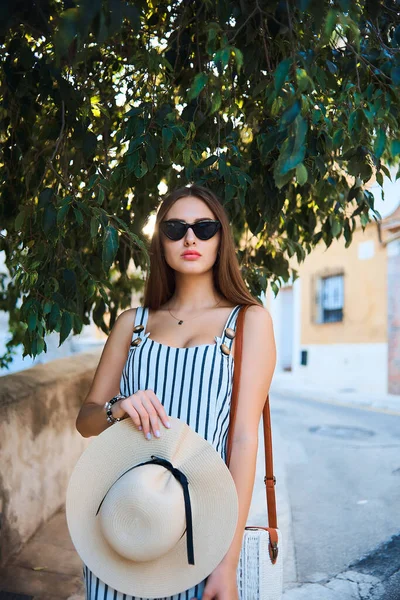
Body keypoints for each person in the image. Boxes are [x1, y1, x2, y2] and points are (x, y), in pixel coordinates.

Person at [75, 183, 276, 600]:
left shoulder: (248, 322)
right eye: (174, 228)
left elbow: (242, 442)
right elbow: (87, 420)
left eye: (204, 227)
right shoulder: (131, 324)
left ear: (221, 238)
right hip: (127, 521)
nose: (190, 238)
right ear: (159, 242)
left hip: (200, 532)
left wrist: (227, 565)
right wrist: (118, 408)